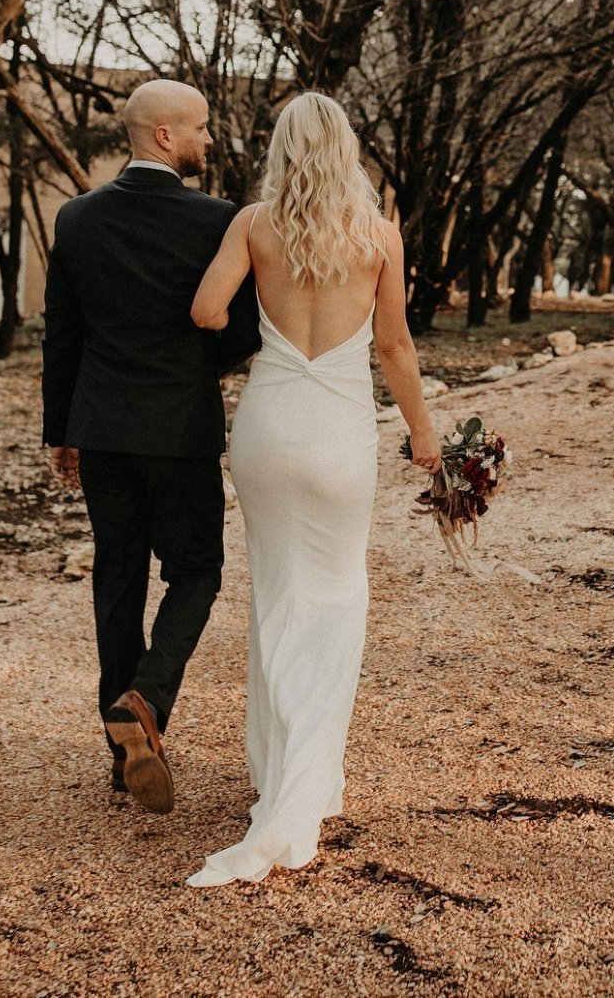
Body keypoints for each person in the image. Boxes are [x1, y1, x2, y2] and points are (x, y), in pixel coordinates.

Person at [184, 90, 441, 886]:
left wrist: (265, 338)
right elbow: (393, 346)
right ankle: (304, 790)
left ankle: (280, 775)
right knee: (335, 598)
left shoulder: (254, 223)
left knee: (277, 593)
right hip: (337, 431)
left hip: (267, 422)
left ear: (283, 149)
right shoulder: (379, 235)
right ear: (347, 149)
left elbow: (204, 309)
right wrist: (425, 434)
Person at [41, 79, 260, 812]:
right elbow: (240, 331)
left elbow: (63, 336)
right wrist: (193, 372)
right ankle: (148, 698)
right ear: (164, 135)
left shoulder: (76, 219)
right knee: (196, 571)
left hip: (101, 430)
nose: (208, 141)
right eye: (200, 128)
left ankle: (119, 752)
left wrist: (60, 430)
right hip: (179, 430)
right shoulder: (217, 221)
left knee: (119, 580)